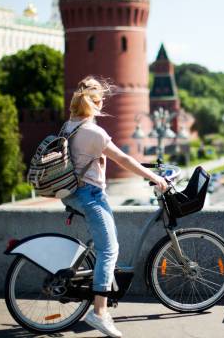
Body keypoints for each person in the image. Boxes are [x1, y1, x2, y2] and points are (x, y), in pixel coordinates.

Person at [61, 76, 167, 338]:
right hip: (90, 195)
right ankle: (99, 312)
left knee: (105, 244)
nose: (103, 103)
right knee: (110, 249)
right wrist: (155, 178)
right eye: (101, 100)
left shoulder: (70, 125)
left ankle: (100, 290)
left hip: (74, 192)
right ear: (95, 103)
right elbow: (125, 159)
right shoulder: (94, 133)